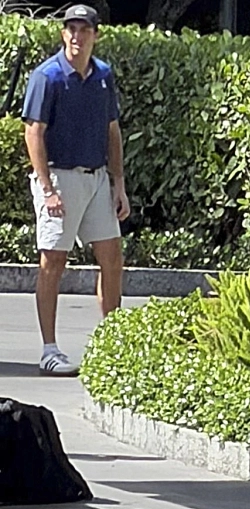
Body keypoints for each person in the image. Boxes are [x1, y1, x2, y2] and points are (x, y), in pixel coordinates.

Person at [22, 4, 129, 377]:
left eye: (84, 30)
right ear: (63, 34)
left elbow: (112, 131)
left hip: (97, 177)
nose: (76, 36)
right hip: (58, 177)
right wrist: (48, 188)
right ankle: (49, 349)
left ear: (95, 35)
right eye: (71, 29)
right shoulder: (47, 77)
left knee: (112, 257)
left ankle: (112, 345)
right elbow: (33, 132)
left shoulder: (103, 75)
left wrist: (119, 184)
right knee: (53, 261)